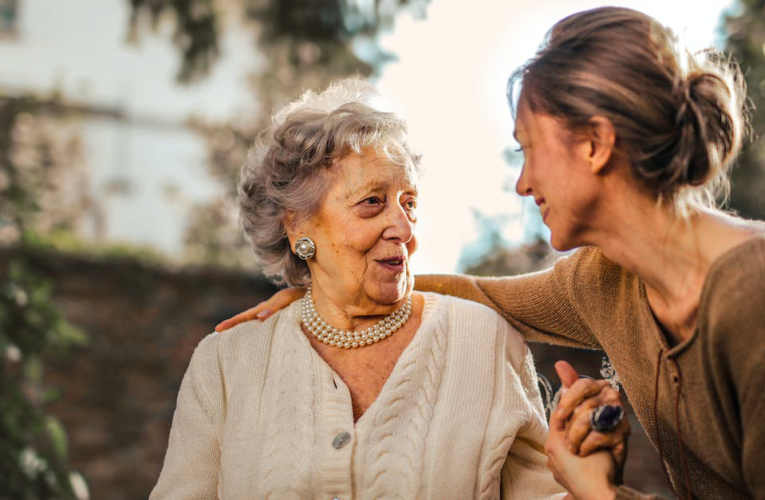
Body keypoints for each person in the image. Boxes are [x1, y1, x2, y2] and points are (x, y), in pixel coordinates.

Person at [215, 7, 765, 499]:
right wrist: (327, 282)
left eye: (528, 148)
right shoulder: (605, 281)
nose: (523, 184)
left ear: (595, 144)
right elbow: (482, 295)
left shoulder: (751, 295)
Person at [151, 80, 568, 499]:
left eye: (410, 203)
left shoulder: (486, 343)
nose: (405, 230)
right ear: (297, 227)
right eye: (372, 202)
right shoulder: (225, 364)